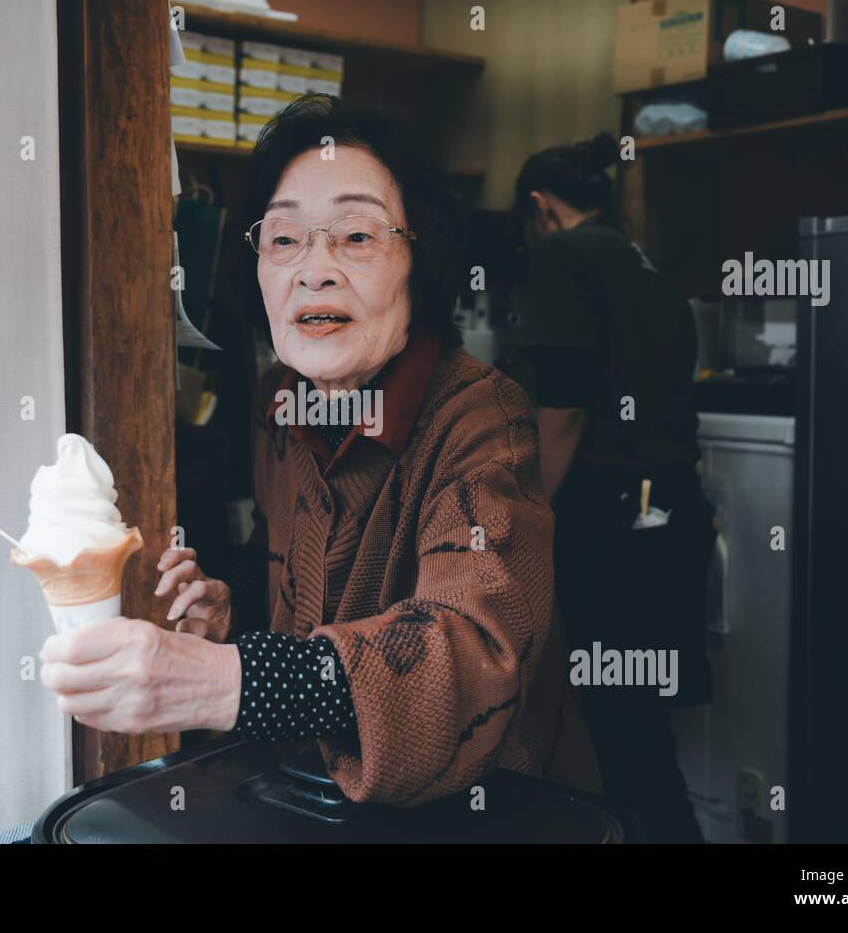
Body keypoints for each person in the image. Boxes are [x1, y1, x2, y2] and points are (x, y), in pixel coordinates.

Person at [38, 95, 601, 807]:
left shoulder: (482, 416)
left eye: (357, 236)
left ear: (420, 260)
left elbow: (471, 653)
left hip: (485, 813)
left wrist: (230, 680)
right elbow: (286, 561)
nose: (316, 269)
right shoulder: (282, 400)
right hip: (313, 798)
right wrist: (229, 612)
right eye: (284, 239)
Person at [508, 134, 716, 842]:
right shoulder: (646, 266)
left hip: (611, 521)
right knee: (639, 731)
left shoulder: (562, 255)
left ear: (538, 208)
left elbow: (563, 406)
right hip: (670, 514)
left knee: (616, 739)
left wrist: (522, 516)